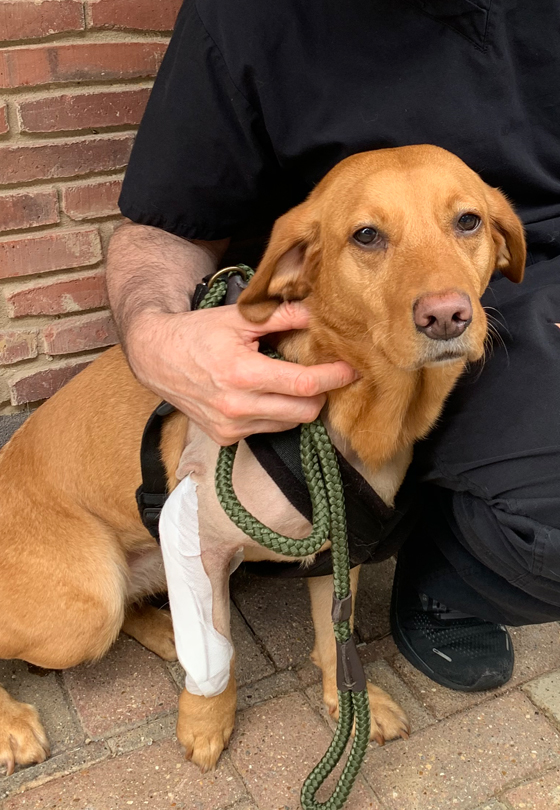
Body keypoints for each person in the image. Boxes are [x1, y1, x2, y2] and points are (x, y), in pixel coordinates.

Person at [107, 0, 560, 693]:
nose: (438, 299)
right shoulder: (245, 18)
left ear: (498, 239)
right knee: (78, 623)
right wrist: (154, 337)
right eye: (371, 236)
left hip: (520, 295)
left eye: (468, 221)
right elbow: (165, 227)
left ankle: (435, 566)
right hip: (341, 340)